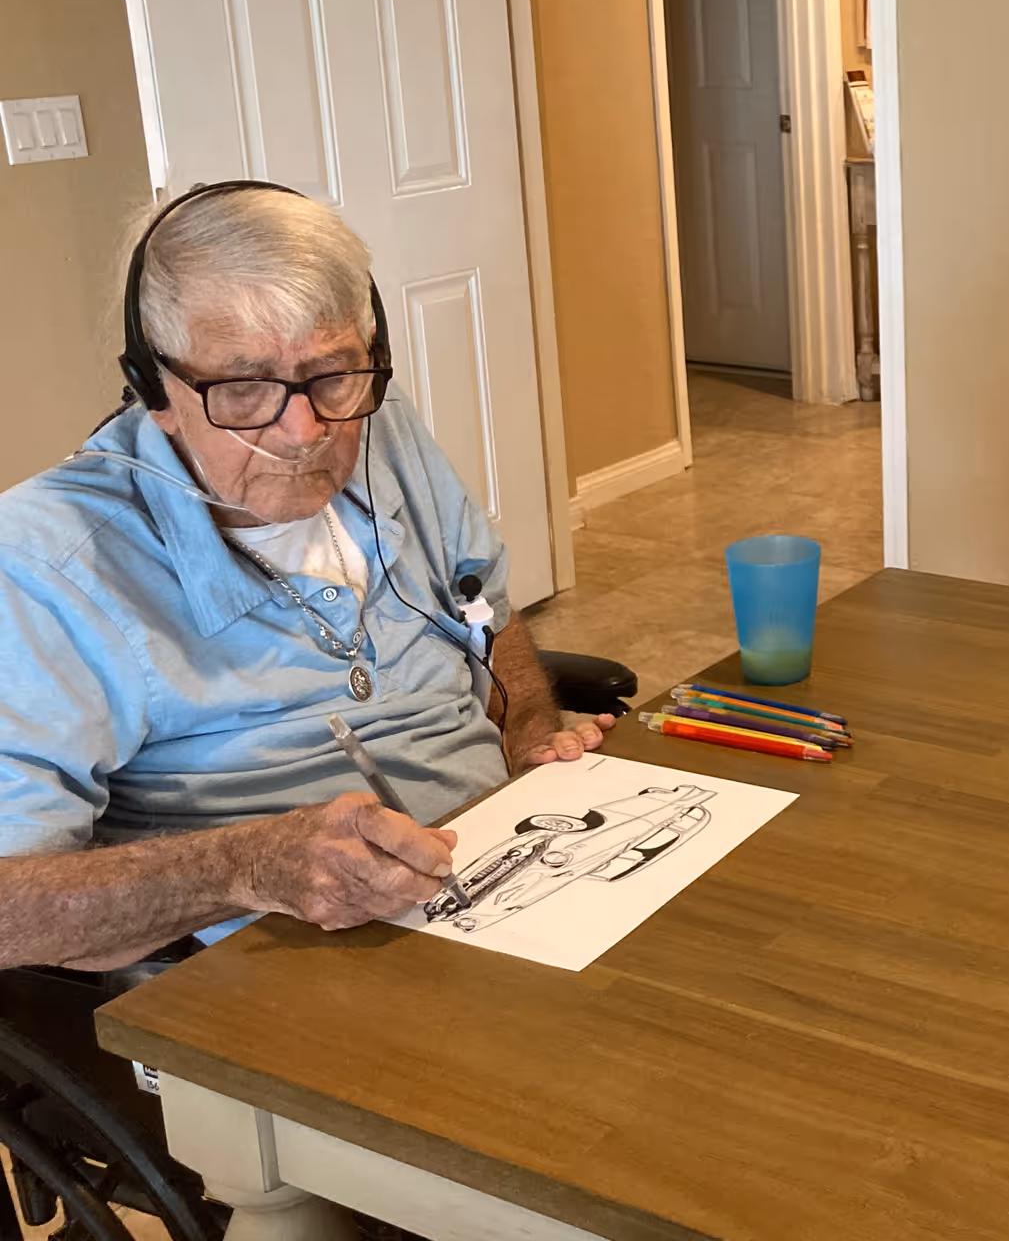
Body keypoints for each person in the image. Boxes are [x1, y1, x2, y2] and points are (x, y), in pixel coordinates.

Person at [0, 182, 612, 971]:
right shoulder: (42, 561)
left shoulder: (382, 427)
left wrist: (528, 727)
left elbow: (484, 610)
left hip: (520, 882)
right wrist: (247, 868)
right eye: (245, 388)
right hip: (279, 970)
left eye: (333, 375)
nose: (306, 431)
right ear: (156, 388)